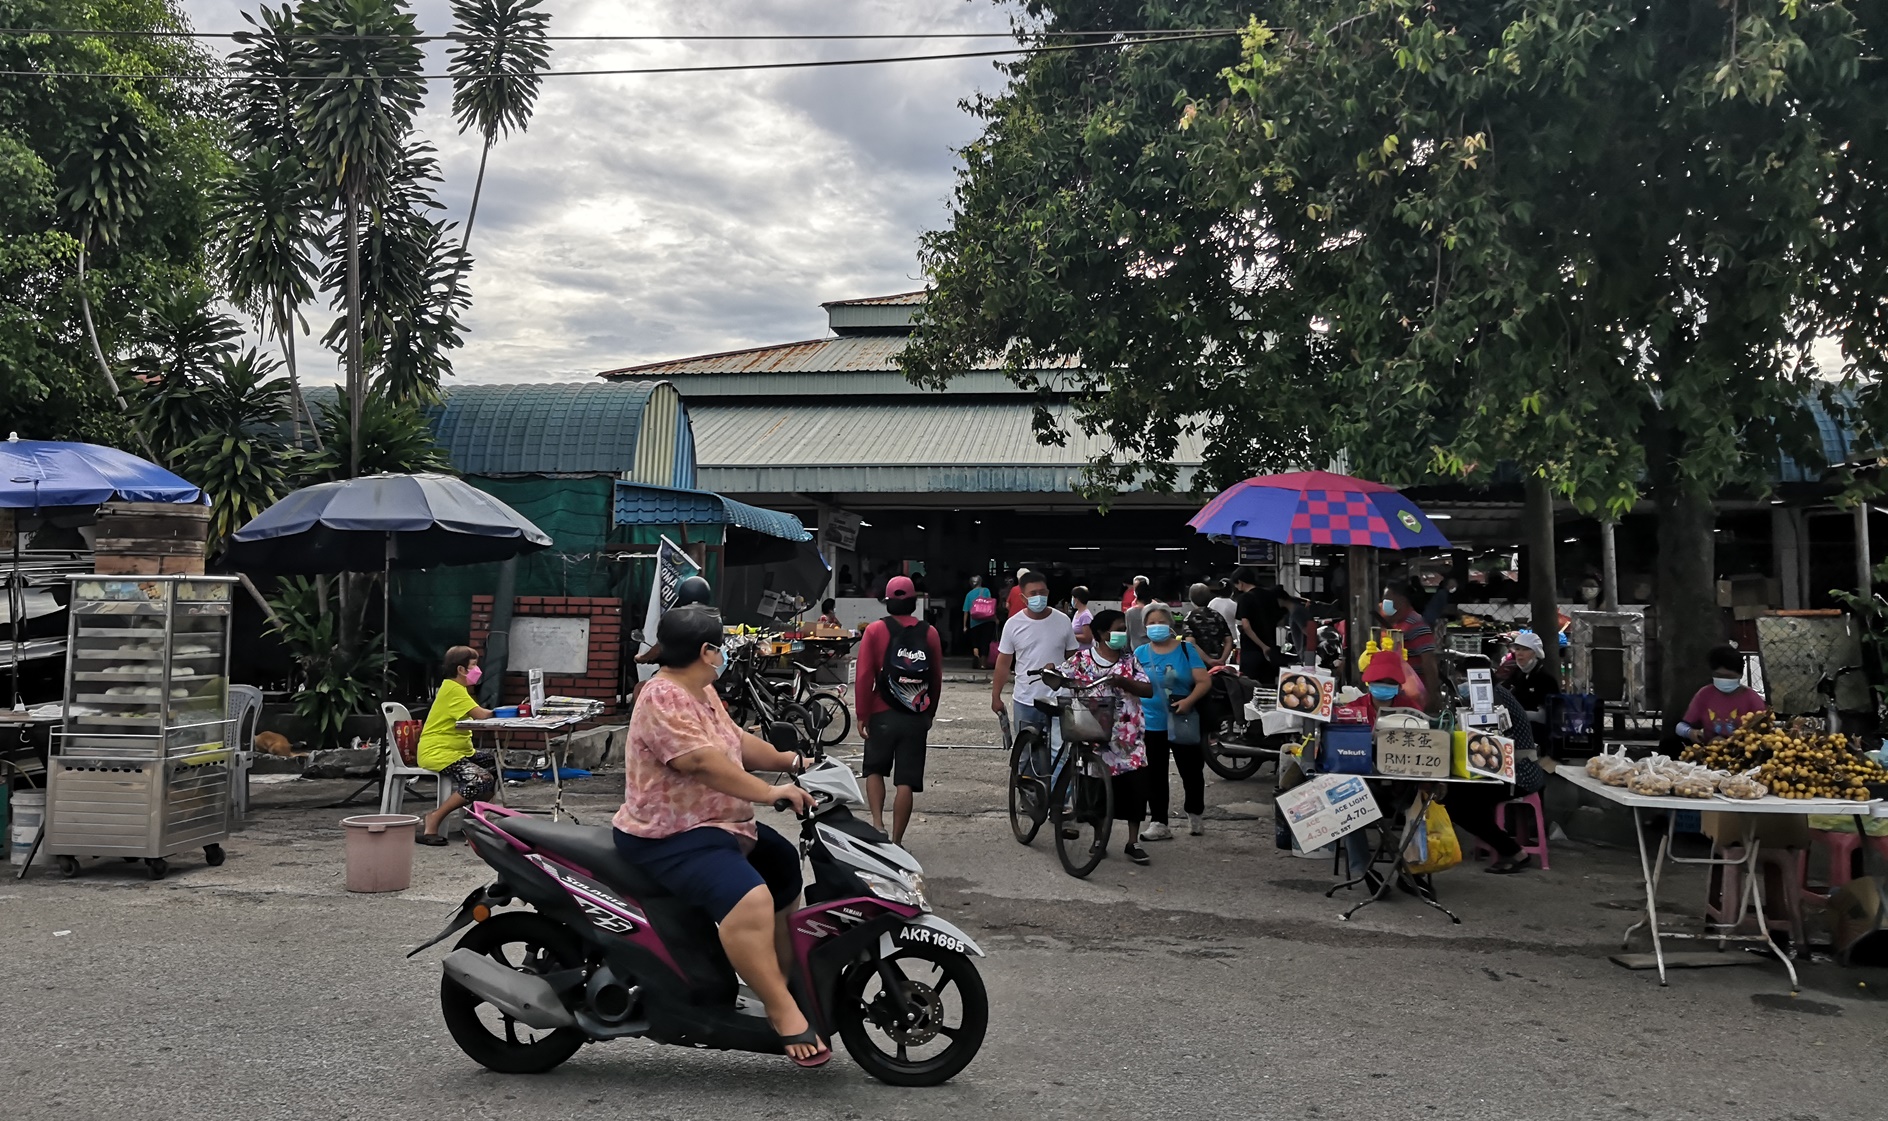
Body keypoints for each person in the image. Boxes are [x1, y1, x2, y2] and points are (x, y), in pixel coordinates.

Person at [611, 605, 825, 1066]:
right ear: (707, 651)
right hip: (669, 832)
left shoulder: (703, 690)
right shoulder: (661, 696)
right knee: (748, 899)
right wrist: (771, 794)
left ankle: (782, 978)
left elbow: (735, 743)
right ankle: (779, 1006)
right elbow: (702, 762)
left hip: (721, 825)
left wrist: (795, 763)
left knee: (784, 864)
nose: (724, 653)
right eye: (720, 646)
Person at [1057, 609, 1156, 864]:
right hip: (1094, 736)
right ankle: (1099, 838)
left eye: (1124, 628)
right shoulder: (1082, 660)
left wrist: (1123, 682)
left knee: (1134, 790)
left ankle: (1132, 842)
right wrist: (1049, 672)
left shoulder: (1130, 660)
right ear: (1101, 633)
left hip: (1128, 740)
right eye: (1117, 628)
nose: (1122, 633)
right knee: (1097, 792)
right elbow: (1058, 677)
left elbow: (1148, 688)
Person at [854, 576, 943, 843]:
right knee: (906, 781)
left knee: (874, 770)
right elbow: (936, 677)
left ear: (888, 602)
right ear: (914, 602)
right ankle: (897, 840)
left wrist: (862, 714)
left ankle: (878, 826)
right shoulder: (930, 632)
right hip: (915, 714)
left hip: (881, 712)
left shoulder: (874, 631)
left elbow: (863, 676)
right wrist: (929, 712)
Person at [1444, 684, 1549, 874]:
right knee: (1461, 796)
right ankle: (1493, 843)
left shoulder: (1492, 700)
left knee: (1455, 803)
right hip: (1506, 772)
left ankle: (1515, 852)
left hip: (1519, 775)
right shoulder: (1494, 694)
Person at [1134, 603, 1213, 840]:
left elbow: (1203, 681)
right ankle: (1159, 822)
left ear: (1170, 624)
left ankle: (1195, 812)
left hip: (1183, 719)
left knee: (1191, 770)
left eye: (1160, 622)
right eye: (1151, 623)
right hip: (1150, 721)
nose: (1156, 627)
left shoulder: (1187, 650)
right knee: (1154, 773)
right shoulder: (1140, 653)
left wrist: (1189, 701)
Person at [416, 645, 497, 846]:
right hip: (439, 751)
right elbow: (481, 715)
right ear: (461, 669)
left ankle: (476, 820)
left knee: (496, 763)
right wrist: (516, 711)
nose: (478, 670)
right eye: (474, 665)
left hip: (458, 750)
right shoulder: (453, 689)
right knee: (482, 778)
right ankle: (434, 818)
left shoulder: (458, 689)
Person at [990, 570, 1078, 744]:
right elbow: (1003, 663)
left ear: (1048, 593)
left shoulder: (1063, 621)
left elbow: (1073, 659)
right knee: (1027, 754)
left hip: (1059, 699)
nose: (1039, 597)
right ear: (1023, 598)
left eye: (1042, 592)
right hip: (1026, 699)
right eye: (1033, 594)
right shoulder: (1013, 624)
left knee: (1060, 753)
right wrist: (996, 696)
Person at [1677, 645, 1767, 744]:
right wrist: (1690, 732)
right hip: (1710, 751)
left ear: (1740, 675)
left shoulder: (1752, 698)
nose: (1724, 679)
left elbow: (1763, 730)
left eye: (1729, 676)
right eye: (1718, 676)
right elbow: (1681, 726)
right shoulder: (1704, 694)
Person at [1378, 582, 1442, 711]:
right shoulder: (1395, 623)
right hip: (1399, 694)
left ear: (1401, 601)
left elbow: (1428, 662)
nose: (1383, 603)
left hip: (1416, 695)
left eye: (1387, 599)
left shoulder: (1416, 625)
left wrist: (1433, 695)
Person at [1498, 631, 1560, 749]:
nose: (1519, 654)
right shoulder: (1517, 673)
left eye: (1525, 650)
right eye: (1517, 649)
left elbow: (1545, 717)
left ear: (1535, 653)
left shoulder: (1545, 679)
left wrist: (1516, 714)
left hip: (1537, 736)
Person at [1233, 568, 1285, 681]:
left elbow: (1245, 626)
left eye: (1236, 584)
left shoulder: (1244, 598)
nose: (1237, 588)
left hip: (1251, 651)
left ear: (1241, 582)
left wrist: (1262, 646)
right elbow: (1279, 619)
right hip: (1270, 651)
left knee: (1250, 688)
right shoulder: (1270, 595)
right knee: (1268, 687)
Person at [1183, 582, 1234, 667]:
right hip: (1218, 663)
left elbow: (1190, 642)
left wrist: (1208, 660)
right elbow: (1228, 640)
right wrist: (1222, 660)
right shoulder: (1217, 615)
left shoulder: (1189, 617)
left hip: (1198, 664)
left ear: (1190, 599)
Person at [963, 575, 996, 669]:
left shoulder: (969, 594)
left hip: (974, 622)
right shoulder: (986, 591)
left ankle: (977, 661)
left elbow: (966, 611)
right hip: (987, 620)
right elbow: (990, 606)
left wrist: (964, 625)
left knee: (975, 643)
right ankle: (983, 664)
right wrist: (995, 618)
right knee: (985, 642)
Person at [1123, 576, 1158, 650]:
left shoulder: (1130, 612)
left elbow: (1128, 633)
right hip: (1153, 648)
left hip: (1137, 649)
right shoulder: (1157, 607)